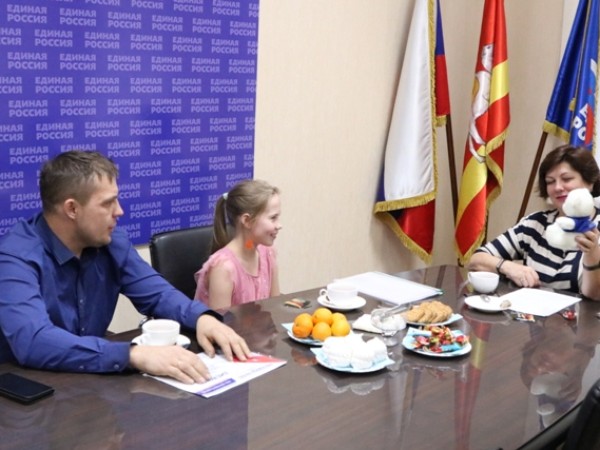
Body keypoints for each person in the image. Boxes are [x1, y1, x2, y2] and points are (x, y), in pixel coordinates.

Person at [0, 151, 251, 384]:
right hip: (28, 389)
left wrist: (203, 319)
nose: (119, 211)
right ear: (72, 209)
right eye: (107, 203)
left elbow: (158, 294)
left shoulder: (110, 243)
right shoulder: (15, 257)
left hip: (90, 382)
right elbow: (33, 341)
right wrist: (133, 355)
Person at [468, 145, 600, 300]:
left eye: (566, 179)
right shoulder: (535, 223)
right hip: (530, 313)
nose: (557, 187)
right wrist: (509, 267)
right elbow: (476, 260)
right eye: (550, 181)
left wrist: (592, 253)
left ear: (590, 182)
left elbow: (594, 296)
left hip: (581, 315)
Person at [194, 179, 281, 309]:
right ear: (247, 221)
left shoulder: (268, 253)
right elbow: (220, 321)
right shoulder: (223, 269)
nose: (279, 225)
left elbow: (274, 307)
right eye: (273, 218)